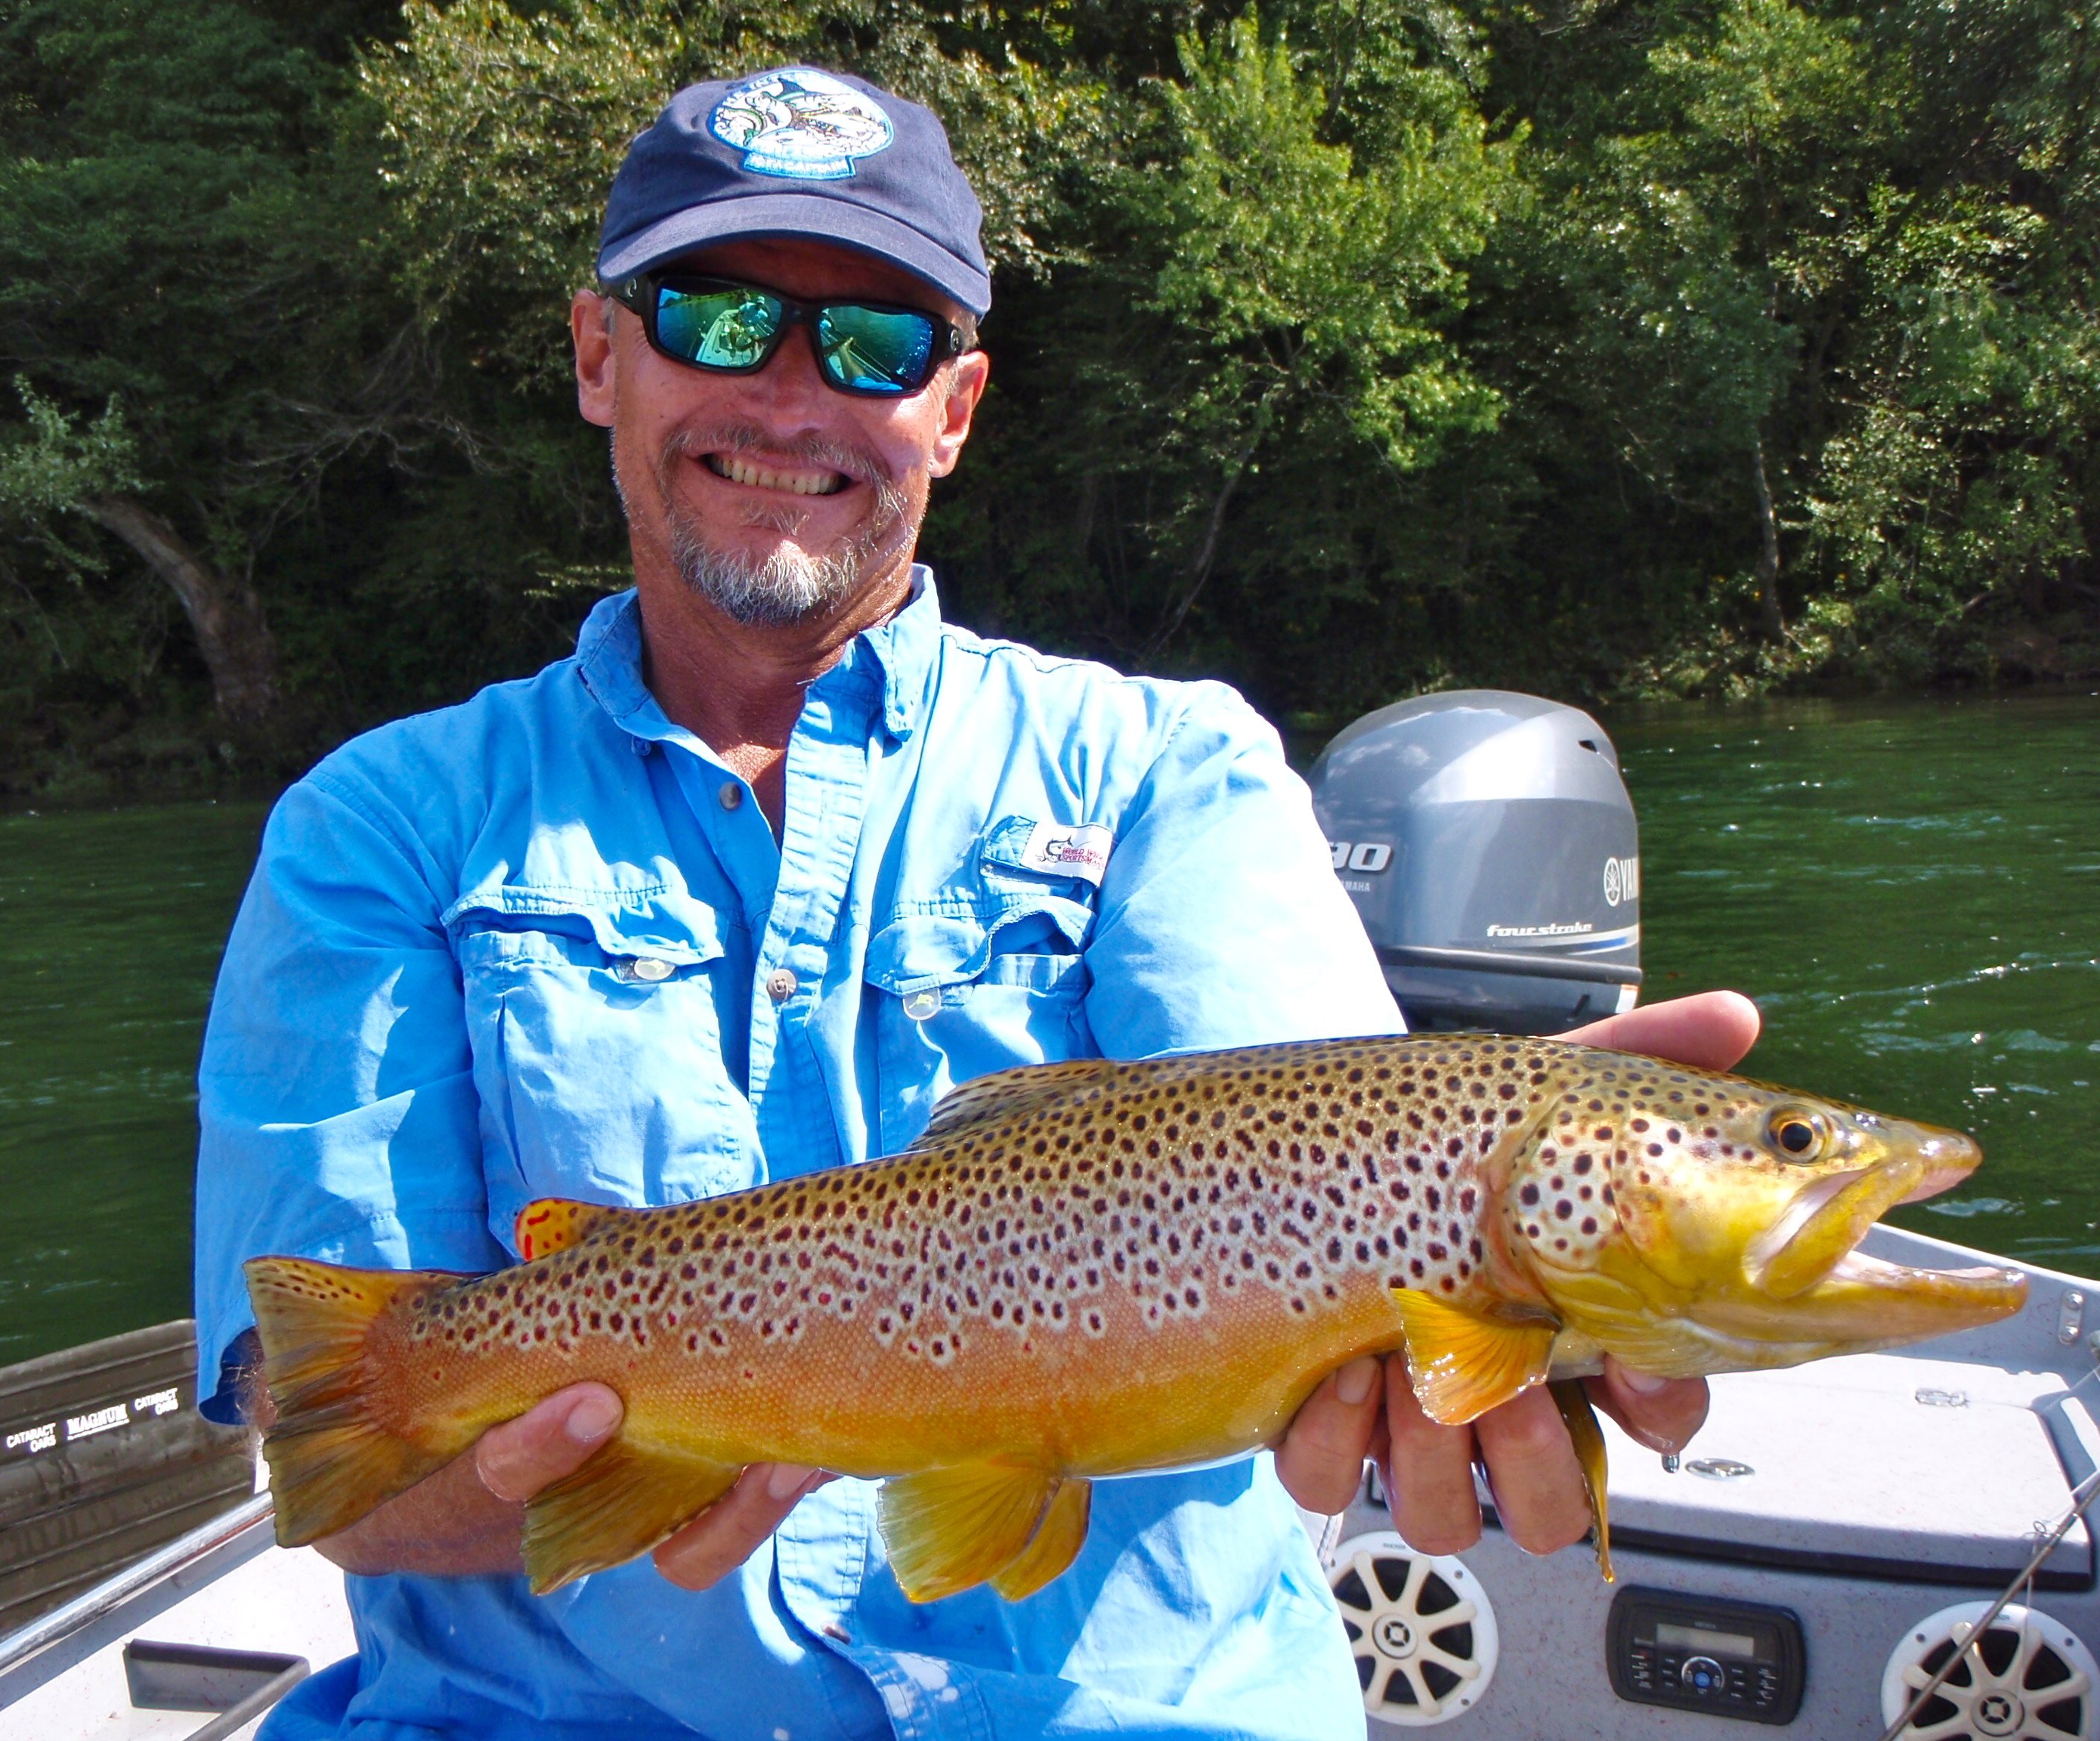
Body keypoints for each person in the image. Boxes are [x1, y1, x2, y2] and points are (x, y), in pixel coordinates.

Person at [193, 65, 1739, 1740]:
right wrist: (612, 1449)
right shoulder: (383, 830)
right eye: (719, 318)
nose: (792, 399)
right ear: (597, 357)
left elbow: (1318, 1190)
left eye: (878, 345)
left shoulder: (1172, 771)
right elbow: (335, 1460)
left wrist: (1517, 1271)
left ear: (958, 406)